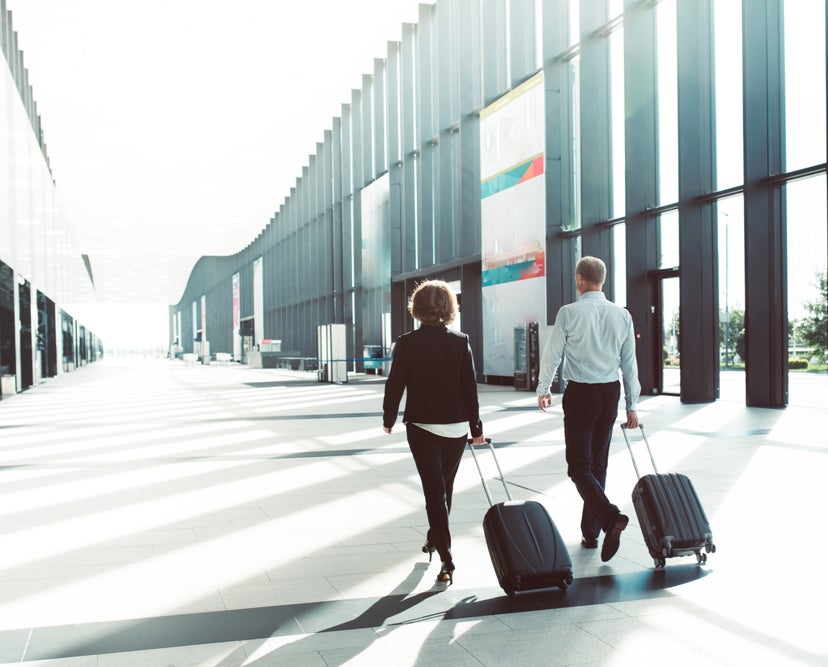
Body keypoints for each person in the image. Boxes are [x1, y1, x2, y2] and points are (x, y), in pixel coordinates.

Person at [536, 256, 640, 562]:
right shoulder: (622, 315)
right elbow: (629, 364)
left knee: (578, 466)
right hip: (610, 392)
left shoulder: (569, 313)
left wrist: (544, 389)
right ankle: (591, 532)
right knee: (598, 464)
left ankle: (609, 519)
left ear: (580, 279)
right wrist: (632, 405)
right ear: (603, 280)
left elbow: (552, 353)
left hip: (581, 393)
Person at [382, 280, 486, 585]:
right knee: (444, 488)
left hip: (422, 426)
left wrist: (389, 418)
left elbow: (395, 385)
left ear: (418, 308)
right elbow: (470, 387)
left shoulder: (406, 343)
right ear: (449, 307)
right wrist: (476, 426)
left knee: (433, 492)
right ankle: (434, 537)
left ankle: (446, 556)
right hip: (455, 427)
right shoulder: (460, 341)